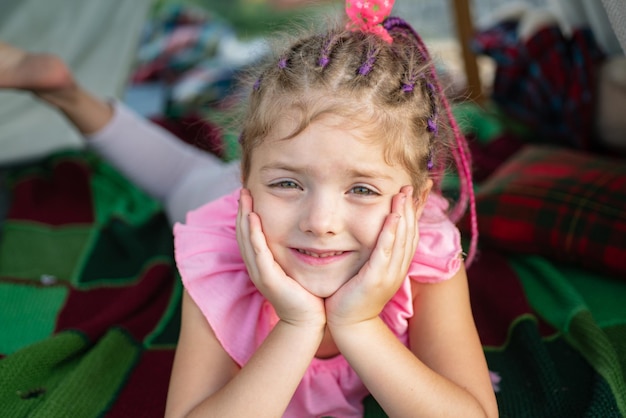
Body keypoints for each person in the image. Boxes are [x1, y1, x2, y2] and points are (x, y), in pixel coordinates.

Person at [0, 1, 497, 416]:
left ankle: (64, 90)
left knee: (183, 170)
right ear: (247, 178)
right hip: (223, 196)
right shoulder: (222, 248)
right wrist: (298, 326)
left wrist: (358, 326)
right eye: (286, 181)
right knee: (182, 178)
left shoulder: (423, 250)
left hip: (265, 193)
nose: (319, 222)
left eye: (362, 189)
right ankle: (65, 93)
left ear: (412, 198)